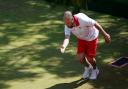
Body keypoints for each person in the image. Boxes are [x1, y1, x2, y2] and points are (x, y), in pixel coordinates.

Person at [60, 11, 111, 80]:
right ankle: (88, 68)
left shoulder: (82, 19)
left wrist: (105, 35)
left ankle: (95, 70)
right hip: (82, 38)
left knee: (90, 58)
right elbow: (67, 37)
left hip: (92, 37)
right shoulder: (67, 25)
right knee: (80, 58)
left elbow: (95, 23)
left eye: (68, 23)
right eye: (66, 23)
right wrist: (64, 46)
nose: (67, 25)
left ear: (72, 19)